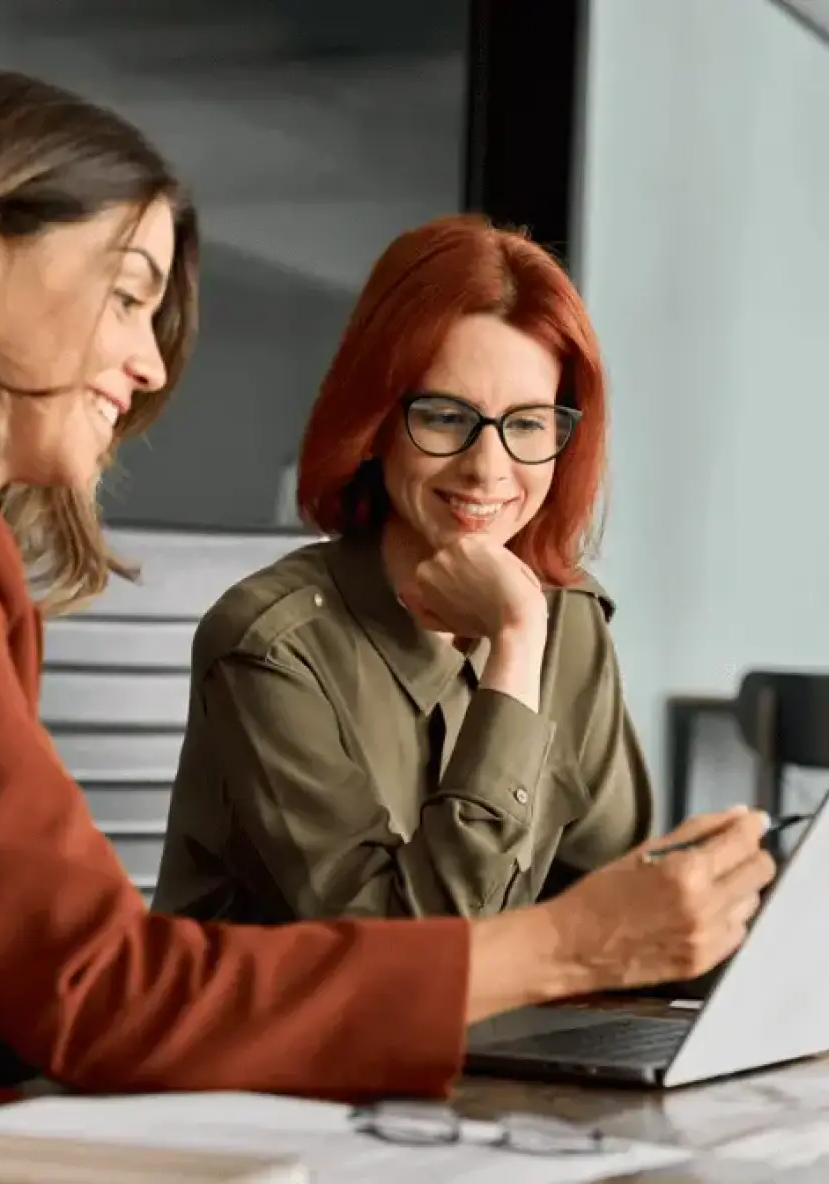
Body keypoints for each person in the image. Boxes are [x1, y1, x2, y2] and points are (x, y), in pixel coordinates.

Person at [0, 70, 774, 1140]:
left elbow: (16, 984)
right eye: (127, 293)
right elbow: (94, 986)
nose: (148, 359)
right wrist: (568, 945)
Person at [155, 216, 653, 924]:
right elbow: (406, 954)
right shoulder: (271, 649)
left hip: (503, 1035)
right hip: (312, 1033)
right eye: (447, 417)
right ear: (377, 421)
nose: (488, 468)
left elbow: (617, 904)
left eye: (529, 424)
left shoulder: (569, 620)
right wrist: (514, 650)